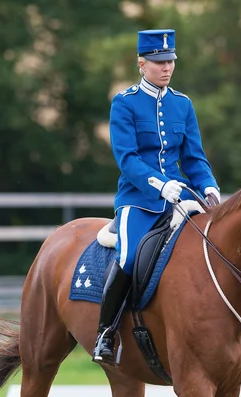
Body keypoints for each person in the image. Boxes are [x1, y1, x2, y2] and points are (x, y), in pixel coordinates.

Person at [93, 28, 220, 364]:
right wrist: (159, 183)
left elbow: (193, 157)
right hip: (138, 200)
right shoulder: (125, 103)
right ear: (142, 63)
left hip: (181, 198)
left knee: (213, 249)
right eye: (159, 61)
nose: (167, 67)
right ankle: (105, 333)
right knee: (129, 257)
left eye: (170, 61)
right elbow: (127, 157)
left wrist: (208, 186)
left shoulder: (183, 105)